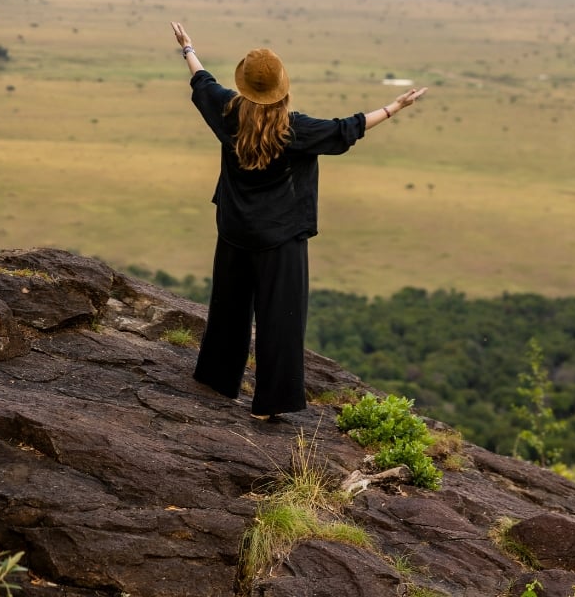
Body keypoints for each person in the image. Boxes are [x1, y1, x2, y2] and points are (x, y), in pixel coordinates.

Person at [170, 21, 427, 420]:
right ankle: (268, 405)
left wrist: (188, 49)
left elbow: (203, 82)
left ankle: (217, 380)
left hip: (236, 230)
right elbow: (348, 129)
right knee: (281, 319)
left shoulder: (229, 112)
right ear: (281, 88)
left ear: (244, 86)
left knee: (228, 308)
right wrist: (395, 107)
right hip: (281, 237)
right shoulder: (296, 129)